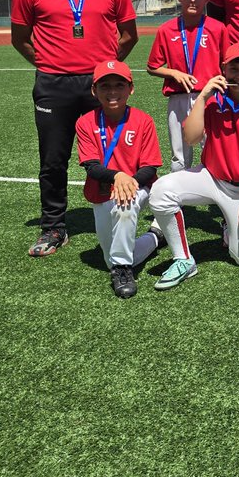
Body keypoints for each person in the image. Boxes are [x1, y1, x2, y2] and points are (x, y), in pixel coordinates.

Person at [11, 0, 137, 258]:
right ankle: (54, 226)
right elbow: (20, 39)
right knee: (53, 159)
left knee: (111, 151)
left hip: (99, 85)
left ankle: (116, 214)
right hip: (53, 85)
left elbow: (129, 35)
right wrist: (47, 63)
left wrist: (108, 70)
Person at [148, 42, 239, 290]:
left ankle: (233, 226)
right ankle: (183, 259)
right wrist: (202, 97)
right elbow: (191, 138)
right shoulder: (212, 100)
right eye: (234, 68)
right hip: (211, 177)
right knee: (160, 191)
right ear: (223, 69)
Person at [75, 60, 164, 298]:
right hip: (103, 190)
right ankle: (155, 236)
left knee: (125, 206)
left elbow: (150, 166)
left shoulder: (143, 120)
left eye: (119, 85)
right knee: (110, 258)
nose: (112, 91)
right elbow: (91, 167)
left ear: (131, 89)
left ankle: (123, 270)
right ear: (94, 90)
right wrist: (118, 177)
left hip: (139, 186)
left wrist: (128, 183)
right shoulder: (85, 122)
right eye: (105, 86)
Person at [146, 0, 227, 172]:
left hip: (209, 98)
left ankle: (214, 190)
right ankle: (179, 192)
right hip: (178, 98)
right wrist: (173, 73)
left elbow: (227, 65)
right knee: (179, 156)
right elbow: (152, 66)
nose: (193, 0)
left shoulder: (218, 28)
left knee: (211, 150)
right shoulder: (166, 29)